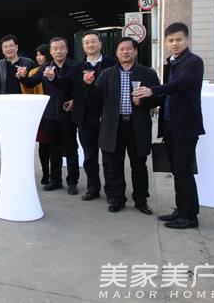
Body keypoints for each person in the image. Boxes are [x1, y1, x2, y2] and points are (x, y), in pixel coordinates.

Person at [133, 22, 205, 229]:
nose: (175, 43)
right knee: (175, 169)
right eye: (171, 40)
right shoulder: (172, 62)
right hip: (170, 125)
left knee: (183, 170)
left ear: (188, 40)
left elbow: (182, 84)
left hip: (186, 125)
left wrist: (152, 90)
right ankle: (181, 209)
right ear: (165, 42)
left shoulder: (193, 62)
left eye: (179, 40)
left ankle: (190, 215)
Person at [86, 37, 160, 214]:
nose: (125, 52)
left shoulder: (147, 74)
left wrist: (143, 102)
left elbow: (158, 99)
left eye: (128, 49)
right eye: (121, 49)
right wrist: (89, 86)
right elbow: (96, 99)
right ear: (117, 53)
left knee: (139, 165)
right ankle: (117, 199)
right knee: (113, 165)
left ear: (135, 51)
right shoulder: (107, 74)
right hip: (113, 126)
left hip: (137, 125)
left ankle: (141, 200)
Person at [51, 31, 117, 201]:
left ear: (100, 44)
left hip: (107, 117)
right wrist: (52, 78)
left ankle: (112, 192)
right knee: (89, 156)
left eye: (93, 41)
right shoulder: (78, 67)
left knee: (109, 158)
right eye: (86, 43)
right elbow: (65, 83)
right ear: (83, 46)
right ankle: (93, 188)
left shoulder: (112, 64)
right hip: (85, 117)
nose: (90, 45)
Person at [19, 37, 80, 194]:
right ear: (51, 52)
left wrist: (75, 99)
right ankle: (55, 180)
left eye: (61, 48)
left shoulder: (75, 67)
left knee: (71, 149)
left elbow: (81, 89)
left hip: (68, 115)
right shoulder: (44, 68)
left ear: (67, 50)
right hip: (50, 114)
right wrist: (23, 77)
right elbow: (31, 83)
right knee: (53, 149)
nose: (59, 51)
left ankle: (72, 182)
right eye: (55, 49)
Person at [23, 44, 52, 185]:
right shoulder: (35, 71)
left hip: (56, 111)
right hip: (41, 112)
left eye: (41, 54)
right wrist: (23, 77)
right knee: (43, 144)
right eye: (37, 55)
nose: (38, 57)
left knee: (56, 145)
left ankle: (56, 174)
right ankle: (46, 173)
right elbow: (28, 89)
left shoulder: (56, 69)